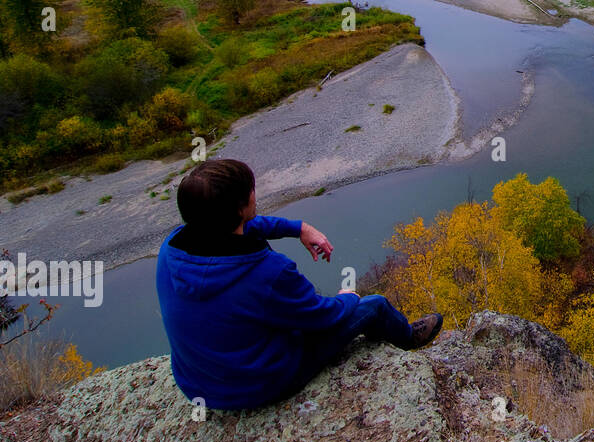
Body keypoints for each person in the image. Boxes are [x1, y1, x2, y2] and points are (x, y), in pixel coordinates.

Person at [156, 158, 441, 410]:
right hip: (261, 383)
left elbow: (242, 228)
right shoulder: (269, 273)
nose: (255, 193)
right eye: (251, 190)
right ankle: (408, 338)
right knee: (374, 306)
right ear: (241, 207)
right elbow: (322, 316)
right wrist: (348, 298)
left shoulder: (172, 249)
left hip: (197, 383)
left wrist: (298, 228)